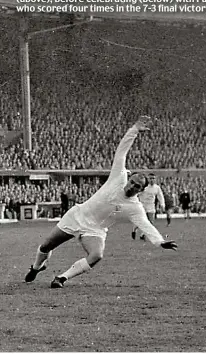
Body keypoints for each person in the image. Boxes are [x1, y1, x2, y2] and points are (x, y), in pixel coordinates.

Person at [25, 117, 177, 289]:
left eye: (137, 186)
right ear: (129, 179)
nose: (132, 186)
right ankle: (37, 267)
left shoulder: (135, 208)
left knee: (97, 255)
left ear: (141, 191)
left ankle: (61, 278)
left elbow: (146, 225)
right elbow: (122, 152)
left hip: (95, 229)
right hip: (77, 216)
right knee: (46, 245)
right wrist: (134, 129)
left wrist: (159, 242)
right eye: (132, 181)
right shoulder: (118, 177)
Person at [131, 173, 165, 241]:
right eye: (150, 178)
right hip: (142, 206)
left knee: (151, 222)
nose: (152, 180)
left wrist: (162, 204)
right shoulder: (144, 187)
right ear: (148, 179)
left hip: (151, 206)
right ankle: (134, 230)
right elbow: (136, 194)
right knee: (140, 221)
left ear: (155, 179)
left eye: (153, 178)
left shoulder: (157, 188)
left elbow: (160, 196)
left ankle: (142, 235)